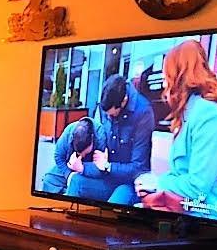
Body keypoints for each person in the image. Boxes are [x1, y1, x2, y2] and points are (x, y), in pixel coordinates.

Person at [134, 40, 217, 223]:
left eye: (167, 75)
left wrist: (157, 184)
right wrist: (151, 181)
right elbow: (180, 174)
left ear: (177, 75)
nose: (164, 82)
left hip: (215, 212)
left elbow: (198, 187)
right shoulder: (189, 113)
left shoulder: (208, 114)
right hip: (191, 208)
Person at [64, 74, 154, 205]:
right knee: (76, 182)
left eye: (112, 115)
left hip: (129, 183)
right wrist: (82, 165)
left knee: (110, 209)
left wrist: (108, 166)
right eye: (106, 115)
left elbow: (138, 168)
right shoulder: (106, 105)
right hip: (106, 177)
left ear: (124, 101)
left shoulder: (143, 112)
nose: (109, 118)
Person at [40, 117, 96, 194]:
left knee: (78, 184)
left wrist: (83, 168)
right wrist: (69, 175)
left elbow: (100, 170)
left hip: (88, 171)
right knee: (48, 179)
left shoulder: (100, 137)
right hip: (69, 167)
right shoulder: (67, 135)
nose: (82, 156)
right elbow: (58, 157)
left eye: (85, 153)